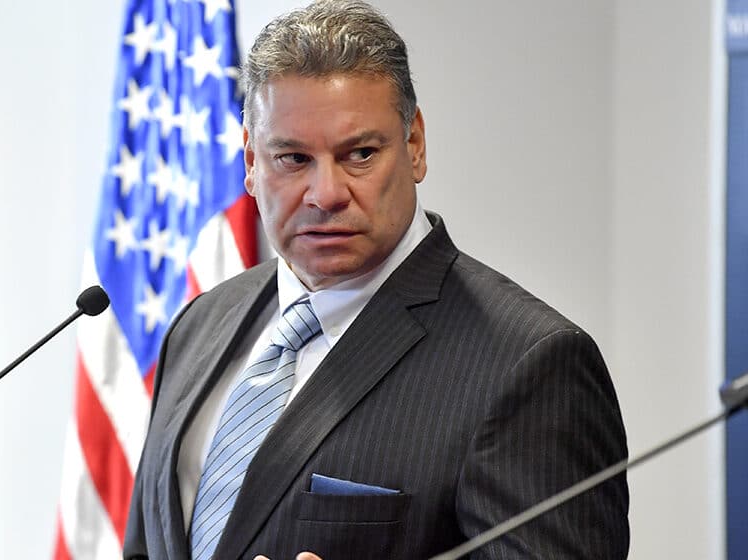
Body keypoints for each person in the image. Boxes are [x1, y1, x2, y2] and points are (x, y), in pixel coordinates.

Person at [123, 1, 629, 558]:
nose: (326, 194)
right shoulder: (199, 324)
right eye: (292, 158)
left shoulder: (530, 362)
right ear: (250, 162)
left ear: (415, 146)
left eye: (360, 154)